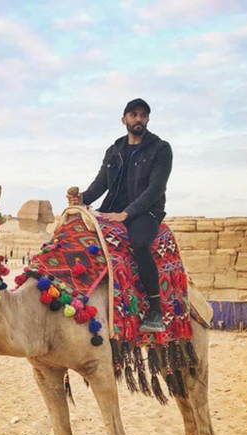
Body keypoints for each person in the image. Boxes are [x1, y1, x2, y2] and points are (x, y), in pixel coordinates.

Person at [68, 98, 172, 332]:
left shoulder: (160, 149)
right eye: (134, 114)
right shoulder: (114, 151)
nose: (139, 119)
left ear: (147, 120)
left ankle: (156, 311)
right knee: (77, 235)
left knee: (140, 243)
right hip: (112, 209)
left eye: (143, 115)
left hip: (146, 211)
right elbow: (101, 183)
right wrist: (83, 199)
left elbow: (156, 188)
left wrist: (126, 214)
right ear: (124, 119)